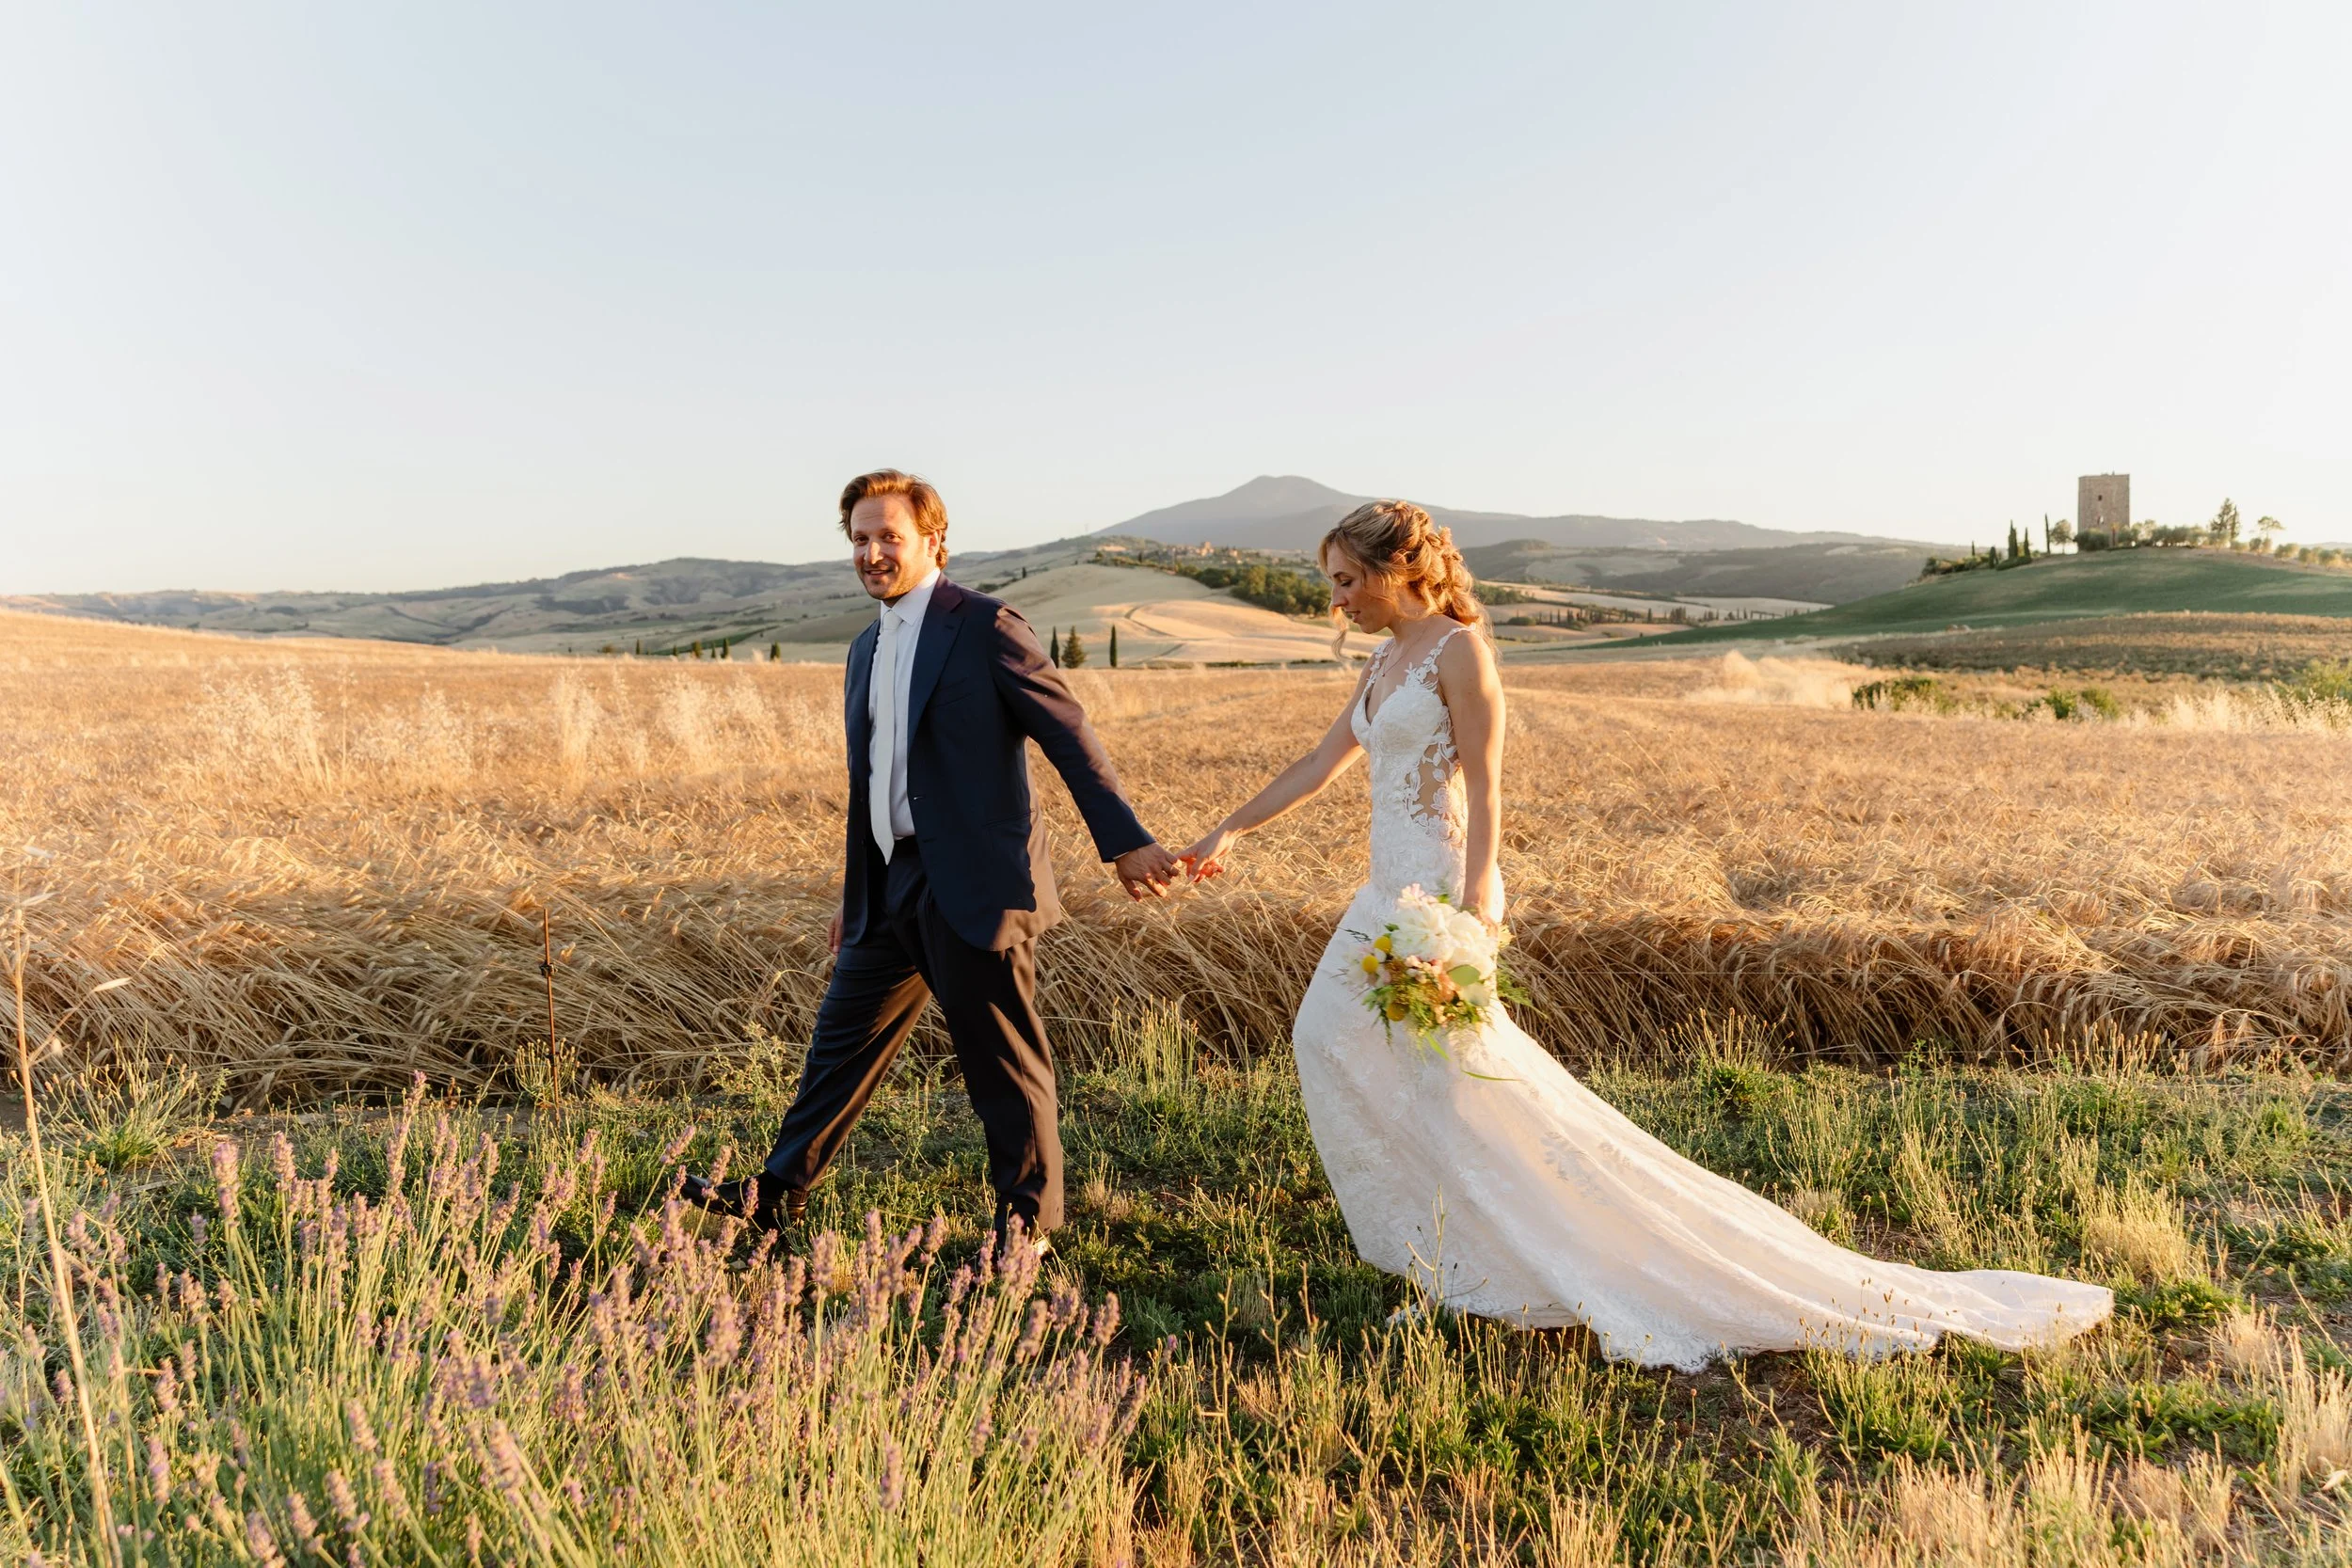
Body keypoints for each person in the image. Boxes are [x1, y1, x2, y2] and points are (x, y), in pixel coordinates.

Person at [1176, 499, 2112, 1369]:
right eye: (1331, 582)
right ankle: (1455, 1257)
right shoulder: (1379, 661)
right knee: (1328, 1038)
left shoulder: (1460, 651)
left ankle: (1494, 1267)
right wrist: (1226, 829)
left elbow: (1493, 791)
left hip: (1437, 897)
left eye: (1346, 580)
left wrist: (1473, 913)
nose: (1334, 599)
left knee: (1456, 1087)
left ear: (1402, 566)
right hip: (1380, 894)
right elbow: (1318, 762)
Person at [686, 470, 1180, 1247]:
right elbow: (873, 781)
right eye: (859, 539)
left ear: (933, 542)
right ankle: (773, 1193)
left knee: (1005, 1066)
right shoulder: (863, 647)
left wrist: (1124, 840)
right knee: (838, 1049)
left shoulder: (984, 626)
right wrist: (856, 900)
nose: (873, 552)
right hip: (889, 885)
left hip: (976, 884)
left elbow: (1066, 733)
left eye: (889, 537)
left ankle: (1027, 1236)